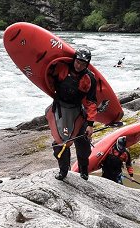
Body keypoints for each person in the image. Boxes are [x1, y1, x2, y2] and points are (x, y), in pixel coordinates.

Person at [48, 47, 97, 181]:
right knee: (60, 143)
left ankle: (83, 169)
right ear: (74, 59)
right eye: (78, 62)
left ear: (87, 64)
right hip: (61, 109)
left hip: (77, 111)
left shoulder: (89, 78)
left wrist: (90, 124)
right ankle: (64, 170)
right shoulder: (61, 68)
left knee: (83, 144)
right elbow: (47, 76)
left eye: (83, 64)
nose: (79, 66)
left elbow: (91, 102)